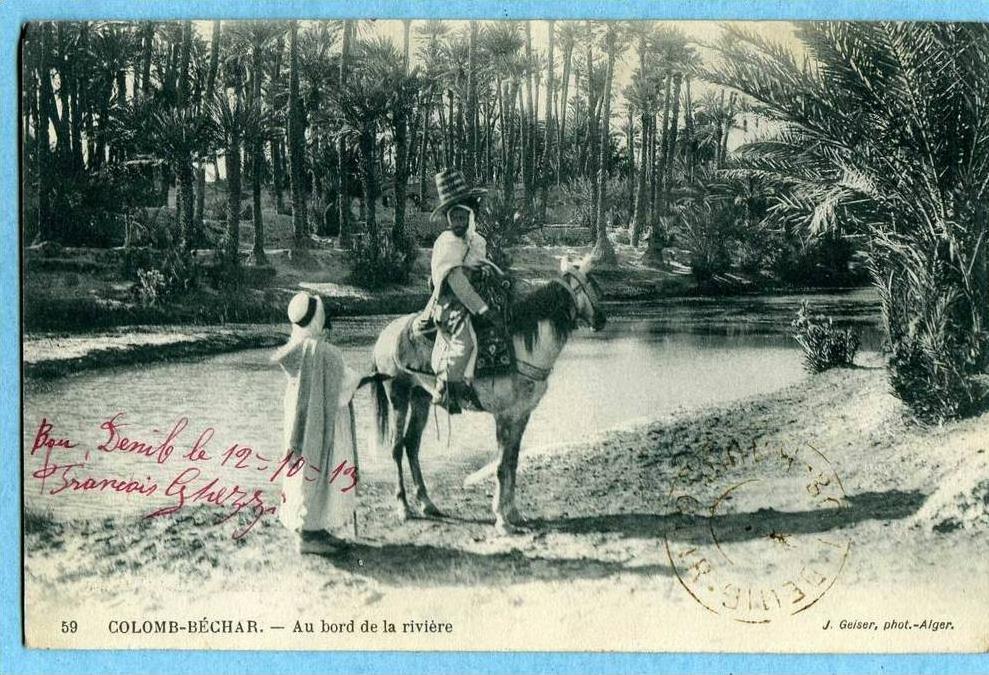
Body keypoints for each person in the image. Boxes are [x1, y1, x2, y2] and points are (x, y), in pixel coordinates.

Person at [271, 291, 361, 555]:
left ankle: (313, 529)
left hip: (298, 423)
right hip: (322, 423)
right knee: (322, 469)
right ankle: (309, 536)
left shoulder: (293, 349)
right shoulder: (326, 353)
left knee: (301, 470)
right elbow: (345, 385)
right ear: (317, 319)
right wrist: (368, 378)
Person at [425, 169, 502, 409]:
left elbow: (477, 268)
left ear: (470, 217)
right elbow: (457, 281)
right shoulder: (447, 243)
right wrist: (481, 308)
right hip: (450, 302)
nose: (458, 223)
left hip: (474, 295)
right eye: (454, 218)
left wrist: (486, 274)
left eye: (463, 217)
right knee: (464, 340)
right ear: (448, 220)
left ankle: (485, 380)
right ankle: (445, 388)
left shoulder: (474, 240)